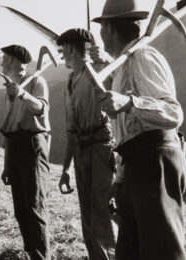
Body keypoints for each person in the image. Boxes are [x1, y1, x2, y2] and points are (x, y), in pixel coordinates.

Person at [92, 0, 186, 259]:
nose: (100, 36)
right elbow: (127, 133)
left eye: (102, 28)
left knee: (163, 251)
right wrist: (120, 180)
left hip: (155, 160)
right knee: (130, 253)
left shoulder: (143, 56)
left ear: (110, 29)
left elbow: (173, 113)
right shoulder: (123, 67)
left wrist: (129, 102)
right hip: (137, 163)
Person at [56, 28, 118, 260]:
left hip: (101, 149)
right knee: (88, 219)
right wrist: (66, 169)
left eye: (63, 49)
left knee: (104, 215)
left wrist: (105, 60)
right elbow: (71, 131)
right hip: (81, 152)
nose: (61, 54)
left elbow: (118, 77)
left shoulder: (101, 69)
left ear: (70, 48)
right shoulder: (71, 82)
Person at [0, 44, 51, 260]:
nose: (1, 61)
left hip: (32, 144)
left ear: (12, 60)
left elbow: (41, 108)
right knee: (21, 209)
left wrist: (22, 94)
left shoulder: (37, 82)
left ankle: (42, 257)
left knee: (34, 206)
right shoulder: (9, 87)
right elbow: (9, 123)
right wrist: (6, 162)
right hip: (15, 145)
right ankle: (32, 254)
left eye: (4, 57)